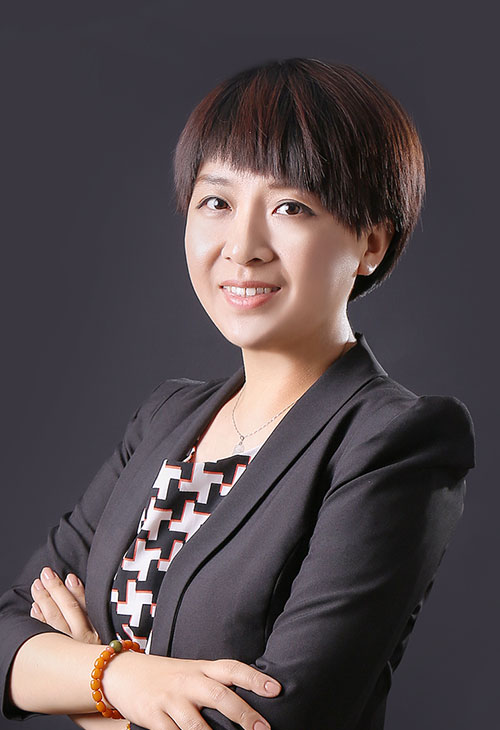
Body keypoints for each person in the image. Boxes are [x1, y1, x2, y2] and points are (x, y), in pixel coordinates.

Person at [0, 57, 475, 730]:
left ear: (371, 242)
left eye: (290, 207)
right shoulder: (166, 419)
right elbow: (8, 631)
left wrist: (83, 689)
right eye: (216, 202)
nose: (243, 246)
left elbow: (277, 716)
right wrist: (121, 677)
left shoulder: (396, 440)